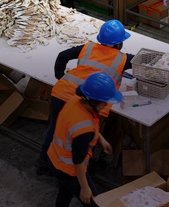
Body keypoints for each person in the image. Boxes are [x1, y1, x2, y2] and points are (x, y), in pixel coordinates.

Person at [37, 19, 133, 175]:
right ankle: (81, 169)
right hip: (87, 101)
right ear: (119, 43)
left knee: (56, 129)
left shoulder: (88, 47)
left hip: (61, 93)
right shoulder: (124, 58)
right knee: (85, 135)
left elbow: (62, 56)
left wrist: (60, 76)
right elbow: (145, 63)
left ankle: (44, 162)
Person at [48, 72, 122, 207]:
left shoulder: (75, 102)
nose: (106, 105)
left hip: (55, 159)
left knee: (64, 193)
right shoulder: (83, 129)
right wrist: (85, 187)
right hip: (70, 169)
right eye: (105, 102)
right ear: (93, 101)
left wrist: (101, 139)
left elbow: (88, 126)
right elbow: (78, 161)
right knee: (91, 204)